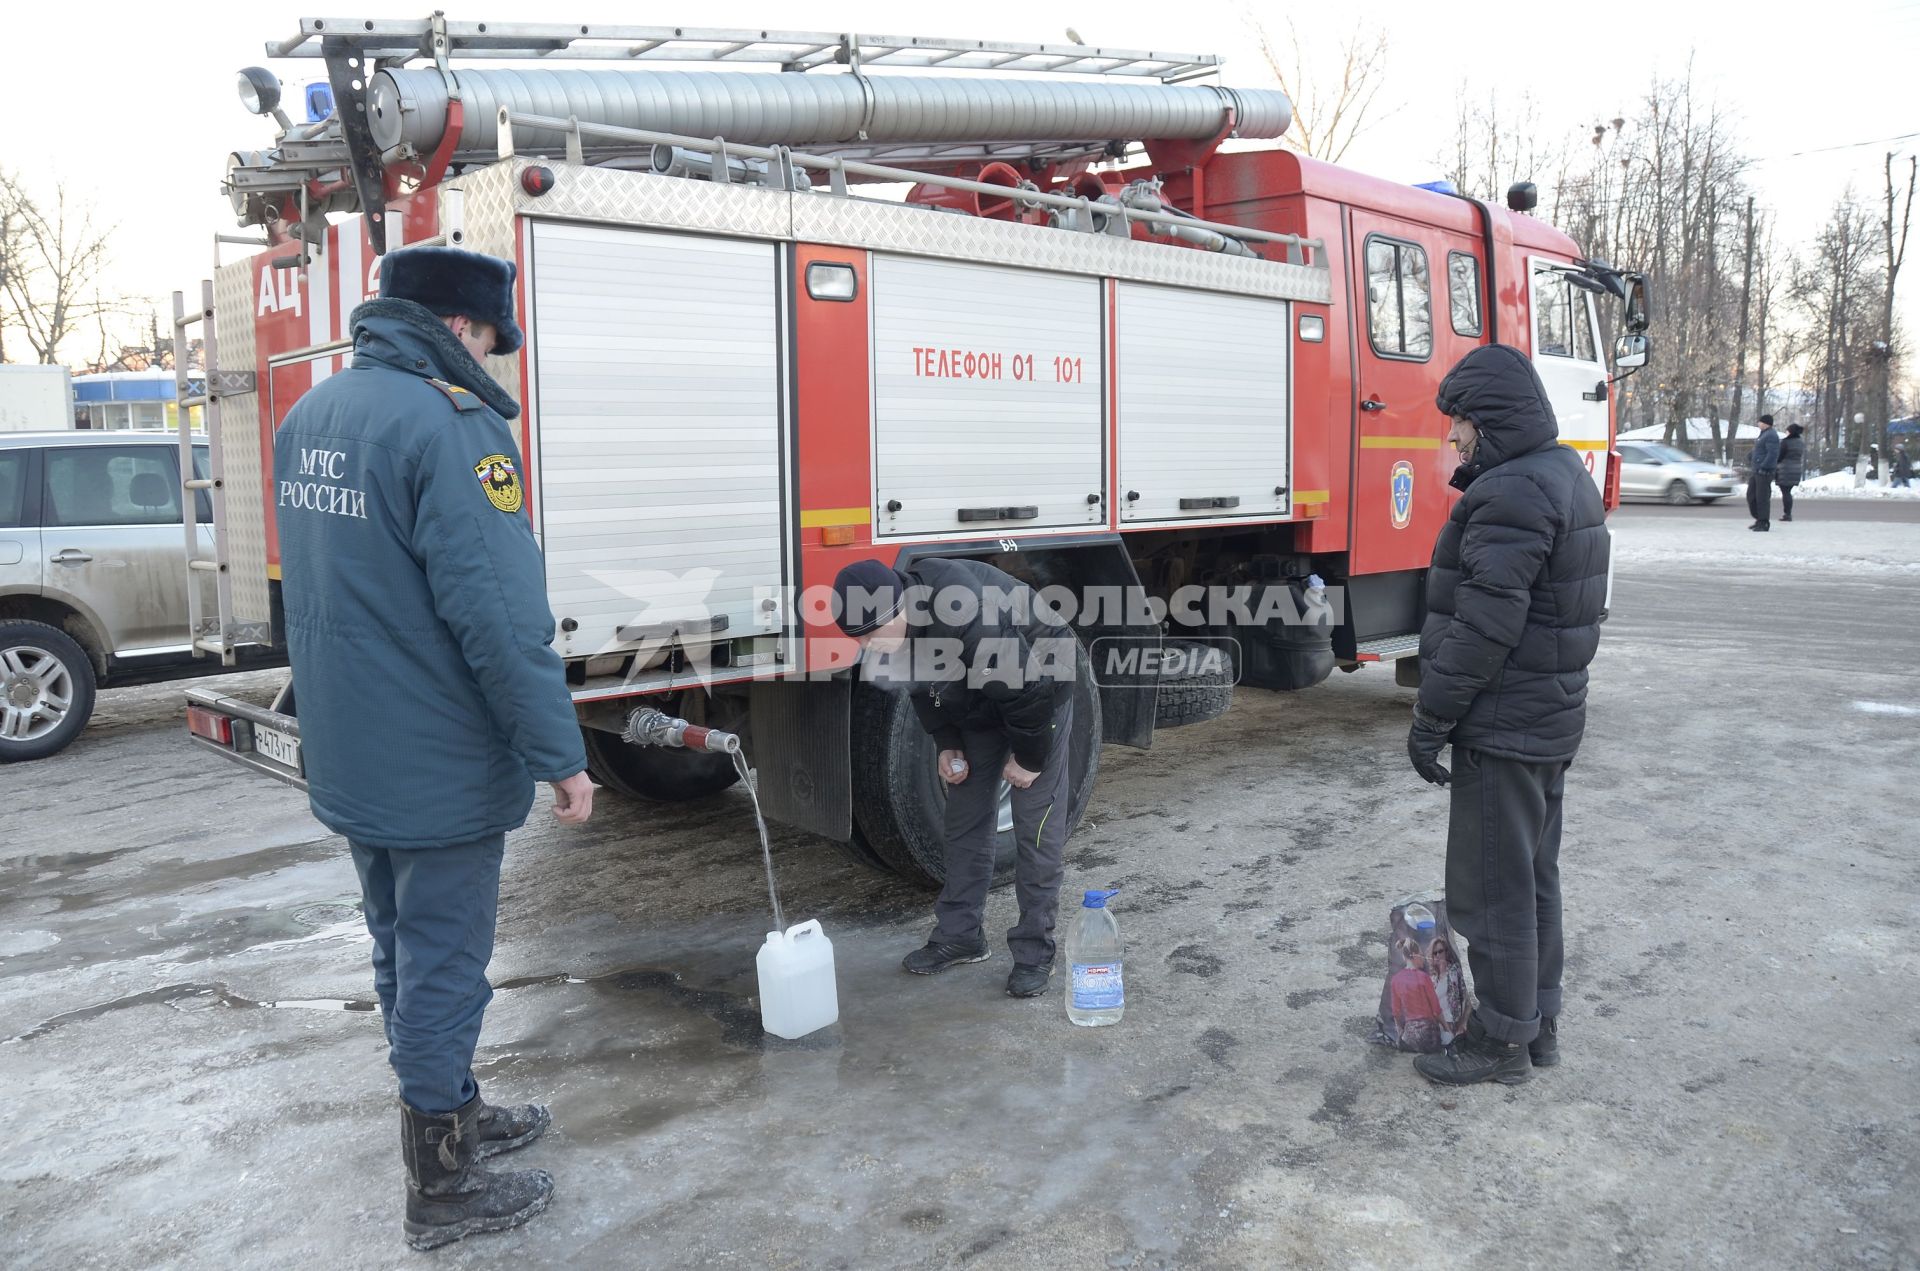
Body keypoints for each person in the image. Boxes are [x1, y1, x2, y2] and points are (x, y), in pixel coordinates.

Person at [273, 246, 594, 1250]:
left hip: (352, 747)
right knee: (447, 959)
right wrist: (563, 755)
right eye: (493, 338)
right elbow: (500, 618)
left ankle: (449, 1105)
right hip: (438, 758)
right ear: (460, 328)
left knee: (398, 949)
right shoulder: (452, 429)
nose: (492, 357)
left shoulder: (308, 417)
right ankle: (441, 1186)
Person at [1405, 344, 1608, 1086]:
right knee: (1531, 879)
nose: (1451, 439)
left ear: (1486, 422)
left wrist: (1431, 719)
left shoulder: (1511, 495)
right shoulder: (1561, 476)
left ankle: (1501, 1042)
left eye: (1459, 424)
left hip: (1503, 720)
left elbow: (1483, 627)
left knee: (1492, 889)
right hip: (1546, 718)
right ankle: (1536, 1023)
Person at [831, 557, 1078, 998]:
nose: (866, 645)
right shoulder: (899, 632)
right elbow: (923, 686)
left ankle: (1034, 952)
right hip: (983, 692)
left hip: (1040, 678)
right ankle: (961, 935)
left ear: (899, 608)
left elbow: (1027, 692)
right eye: (857, 638)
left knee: (1034, 826)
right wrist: (947, 742)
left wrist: (1030, 760)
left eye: (870, 633)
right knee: (964, 814)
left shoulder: (965, 611)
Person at [1389, 941, 1446, 1053]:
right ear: (1414, 955)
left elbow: (1396, 1012)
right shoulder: (1424, 978)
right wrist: (1447, 1027)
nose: (1424, 959)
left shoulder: (1395, 979)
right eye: (1421, 955)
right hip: (1429, 1034)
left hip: (1410, 1036)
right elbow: (1436, 1009)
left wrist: (1400, 1033)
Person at [1747, 414, 1781, 531]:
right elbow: (1759, 450)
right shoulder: (1763, 435)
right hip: (1756, 470)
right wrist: (1751, 456)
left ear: (1766, 423)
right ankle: (1758, 518)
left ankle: (1763, 522)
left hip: (1764, 472)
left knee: (1762, 497)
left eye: (1760, 422)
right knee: (1751, 496)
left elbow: (1772, 454)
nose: (1758, 424)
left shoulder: (1771, 435)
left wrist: (1764, 467)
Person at [1776, 423, 1806, 521]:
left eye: (1787, 430)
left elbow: (1780, 456)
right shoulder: (1800, 443)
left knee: (1786, 492)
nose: (1786, 432)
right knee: (1788, 492)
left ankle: (1787, 514)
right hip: (1796, 469)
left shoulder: (1785, 442)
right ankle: (1788, 513)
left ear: (1790, 432)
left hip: (1785, 470)